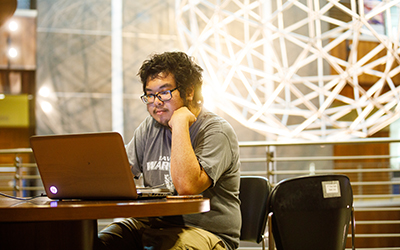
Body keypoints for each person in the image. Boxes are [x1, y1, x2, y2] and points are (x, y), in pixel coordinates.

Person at [98, 51, 241, 250]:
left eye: (164, 93)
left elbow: (187, 187)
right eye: (150, 95)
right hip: (151, 224)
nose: (156, 102)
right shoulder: (150, 128)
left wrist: (181, 123)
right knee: (97, 244)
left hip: (204, 231)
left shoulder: (216, 131)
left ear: (189, 91)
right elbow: (120, 171)